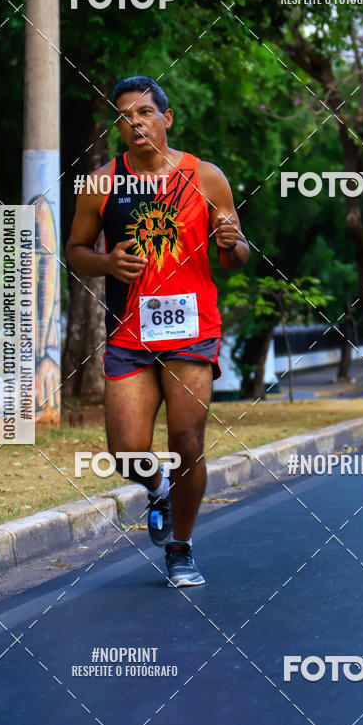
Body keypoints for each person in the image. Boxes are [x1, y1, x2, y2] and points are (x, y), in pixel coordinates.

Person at [66, 76, 249, 586]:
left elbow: (235, 257)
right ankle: (159, 486)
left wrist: (232, 241)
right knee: (126, 450)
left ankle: (182, 549)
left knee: (188, 440)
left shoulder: (206, 177)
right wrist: (107, 262)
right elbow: (76, 251)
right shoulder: (100, 183)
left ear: (166, 118)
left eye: (145, 112)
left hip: (192, 330)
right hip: (130, 334)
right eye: (125, 116)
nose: (135, 122)